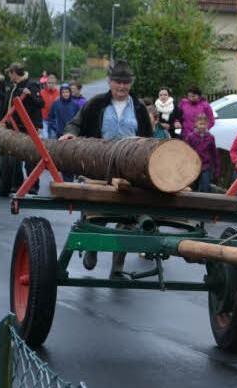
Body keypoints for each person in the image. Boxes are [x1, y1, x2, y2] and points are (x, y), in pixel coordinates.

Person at [60, 60, 152, 278]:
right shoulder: (96, 104)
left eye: (126, 83)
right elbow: (75, 123)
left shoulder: (138, 108)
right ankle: (91, 248)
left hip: (129, 171)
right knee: (96, 213)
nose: (122, 87)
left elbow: (148, 137)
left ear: (131, 84)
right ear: (110, 82)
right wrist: (71, 133)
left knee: (128, 219)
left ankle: (117, 266)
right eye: (118, 82)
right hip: (97, 168)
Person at [6, 62, 45, 194]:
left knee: (30, 158)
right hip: (15, 127)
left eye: (10, 73)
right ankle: (17, 185)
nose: (9, 76)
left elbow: (41, 103)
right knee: (15, 158)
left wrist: (30, 95)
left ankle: (33, 186)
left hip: (29, 128)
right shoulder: (15, 87)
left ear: (14, 73)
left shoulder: (31, 85)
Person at [185, 114, 220, 193]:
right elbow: (186, 151)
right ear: (196, 124)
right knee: (192, 187)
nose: (202, 126)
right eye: (200, 124)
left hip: (205, 166)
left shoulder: (210, 137)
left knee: (205, 187)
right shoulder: (191, 137)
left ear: (207, 124)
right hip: (193, 166)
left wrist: (217, 169)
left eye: (204, 124)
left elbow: (214, 153)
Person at [40, 73, 60, 139]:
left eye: (53, 83)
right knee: (45, 137)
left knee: (53, 137)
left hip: (54, 119)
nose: (51, 85)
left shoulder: (59, 93)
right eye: (49, 83)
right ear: (46, 83)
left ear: (56, 83)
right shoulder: (42, 93)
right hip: (44, 119)